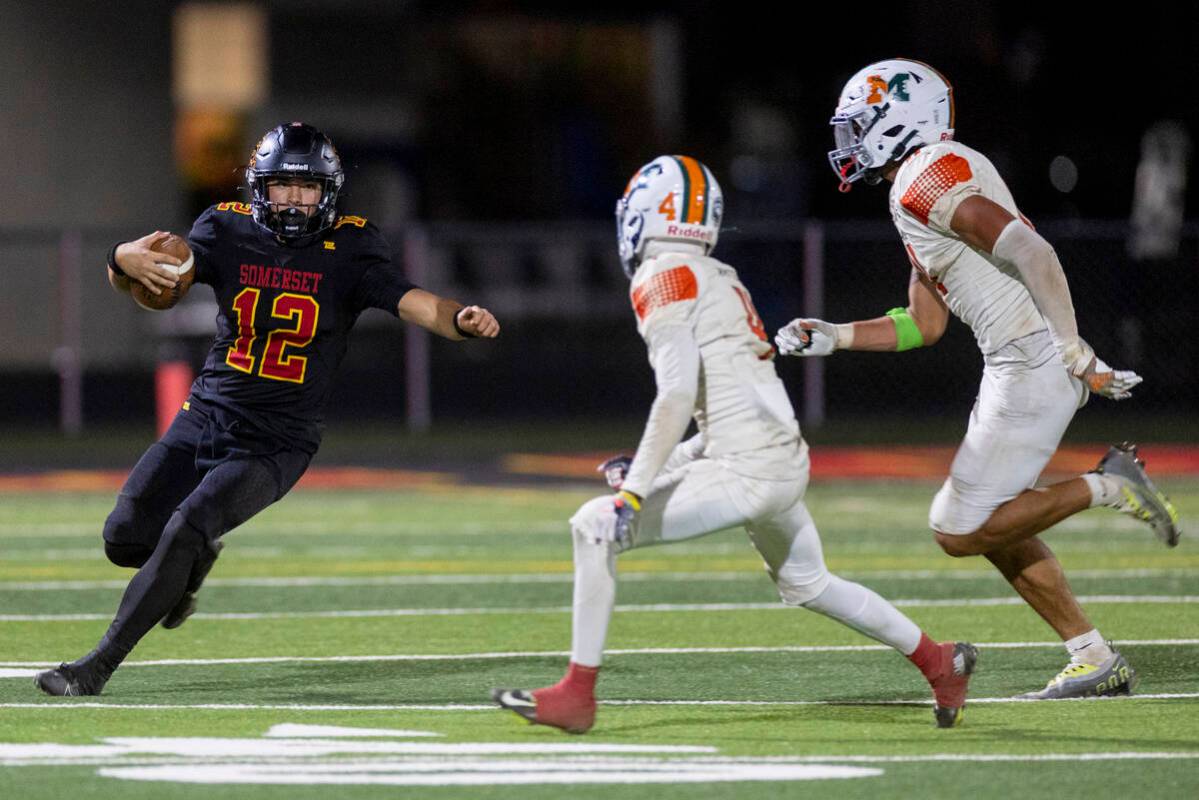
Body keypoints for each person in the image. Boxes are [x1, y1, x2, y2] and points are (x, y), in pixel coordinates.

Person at [493, 155, 977, 732]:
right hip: (780, 458)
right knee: (810, 583)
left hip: (750, 468)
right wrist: (656, 466)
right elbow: (723, 411)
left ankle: (577, 696)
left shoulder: (664, 275)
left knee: (595, 525)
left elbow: (675, 397)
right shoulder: (718, 275)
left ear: (647, 213)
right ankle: (939, 662)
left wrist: (636, 493)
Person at [36, 122, 500, 697]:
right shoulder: (224, 228)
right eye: (283, 185)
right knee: (124, 537)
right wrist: (120, 258)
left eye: (308, 188)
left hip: (276, 441)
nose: (296, 199)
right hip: (204, 414)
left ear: (328, 192)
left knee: (186, 526)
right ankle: (185, 572)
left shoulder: (351, 248)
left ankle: (95, 668)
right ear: (260, 186)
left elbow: (415, 302)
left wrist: (459, 320)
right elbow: (152, 278)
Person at [775, 59, 1180, 700]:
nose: (846, 144)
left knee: (957, 528)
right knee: (993, 522)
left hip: (1033, 360)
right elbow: (924, 322)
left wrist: (1071, 350)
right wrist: (836, 335)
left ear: (897, 120)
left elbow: (1032, 250)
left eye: (859, 127)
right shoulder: (912, 183)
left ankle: (1109, 485)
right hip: (1018, 362)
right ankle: (1093, 655)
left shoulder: (924, 173)